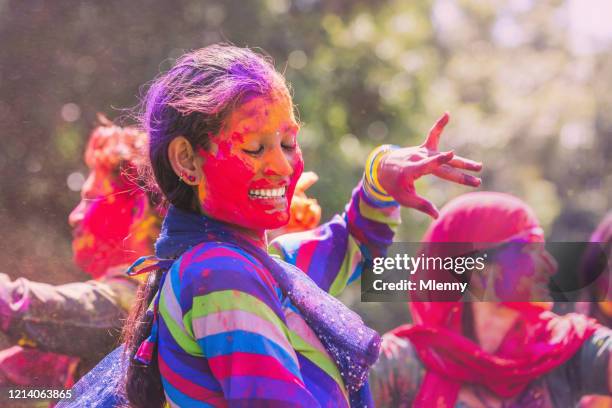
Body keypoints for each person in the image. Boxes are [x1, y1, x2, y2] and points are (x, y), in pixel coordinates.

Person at [108, 44, 483, 408]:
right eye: (256, 148)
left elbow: (351, 247)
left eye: (287, 143)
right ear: (187, 161)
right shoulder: (222, 274)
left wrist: (380, 177)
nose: (283, 167)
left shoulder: (255, 265)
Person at [370, 192, 612, 407]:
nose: (550, 265)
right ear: (481, 274)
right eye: (532, 251)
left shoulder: (562, 348)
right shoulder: (405, 365)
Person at [0, 118, 157, 389]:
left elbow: (21, 310)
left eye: (91, 200)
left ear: (137, 210)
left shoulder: (137, 299)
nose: (74, 216)